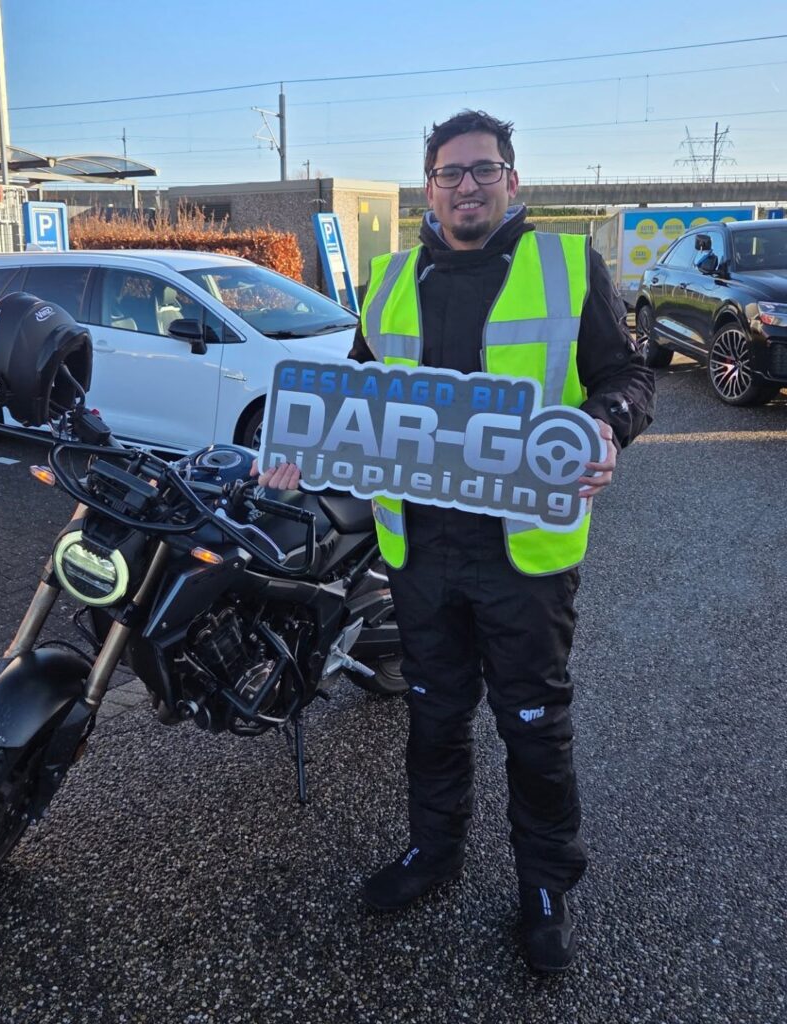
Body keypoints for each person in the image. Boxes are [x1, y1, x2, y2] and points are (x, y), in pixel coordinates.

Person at [258, 109, 655, 973]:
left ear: (512, 180)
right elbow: (353, 395)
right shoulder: (392, 279)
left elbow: (627, 374)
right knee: (435, 719)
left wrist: (605, 425)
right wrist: (298, 444)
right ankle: (432, 856)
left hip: (525, 559)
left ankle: (545, 890)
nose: (466, 186)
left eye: (484, 170)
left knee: (532, 726)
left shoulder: (567, 266)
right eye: (450, 173)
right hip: (421, 554)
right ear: (428, 187)